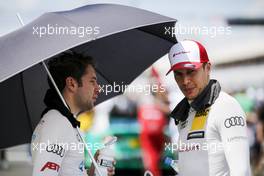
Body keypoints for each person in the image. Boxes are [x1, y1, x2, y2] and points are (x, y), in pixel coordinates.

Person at [166, 40, 251, 176]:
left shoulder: (226, 106)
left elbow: (242, 171)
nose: (185, 81)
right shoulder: (183, 112)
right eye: (178, 74)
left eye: (191, 72)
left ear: (208, 68)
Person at [31, 52, 115, 176]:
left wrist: (92, 172)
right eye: (92, 82)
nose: (98, 88)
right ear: (72, 84)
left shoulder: (67, 121)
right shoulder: (57, 122)